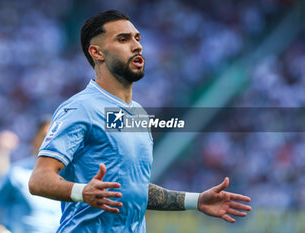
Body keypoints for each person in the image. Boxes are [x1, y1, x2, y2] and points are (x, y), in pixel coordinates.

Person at [29, 10, 251, 233]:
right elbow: (39, 179)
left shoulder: (137, 114)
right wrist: (82, 191)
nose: (137, 46)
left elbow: (134, 189)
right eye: (123, 39)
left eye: (137, 38)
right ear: (97, 53)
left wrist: (196, 201)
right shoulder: (80, 108)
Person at [0, 118, 62, 233]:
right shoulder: (16, 173)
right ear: (34, 141)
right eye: (46, 137)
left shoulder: (69, 177)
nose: (51, 142)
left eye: (56, 138)